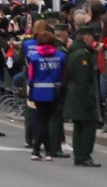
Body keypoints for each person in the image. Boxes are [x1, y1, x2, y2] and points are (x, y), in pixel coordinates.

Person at [25, 27, 67, 160]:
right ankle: (45, 151)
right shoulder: (61, 57)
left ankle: (38, 150)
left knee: (43, 121)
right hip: (54, 93)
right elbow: (63, 75)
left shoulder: (34, 58)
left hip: (38, 93)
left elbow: (31, 77)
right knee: (46, 122)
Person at [65, 25, 100, 167]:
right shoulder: (82, 54)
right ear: (86, 36)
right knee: (89, 124)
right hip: (81, 94)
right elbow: (83, 79)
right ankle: (84, 155)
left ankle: (79, 155)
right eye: (92, 37)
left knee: (79, 125)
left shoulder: (76, 51)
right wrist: (88, 101)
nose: (93, 40)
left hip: (75, 93)